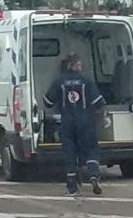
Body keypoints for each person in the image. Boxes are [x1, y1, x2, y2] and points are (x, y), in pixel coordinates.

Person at [43, 52, 106, 196]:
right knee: (91, 149)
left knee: (70, 154)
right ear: (76, 64)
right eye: (79, 64)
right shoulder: (86, 80)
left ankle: (72, 188)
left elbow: (48, 102)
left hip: (67, 123)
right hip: (85, 122)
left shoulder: (59, 80)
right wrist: (103, 115)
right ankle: (94, 176)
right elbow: (99, 102)